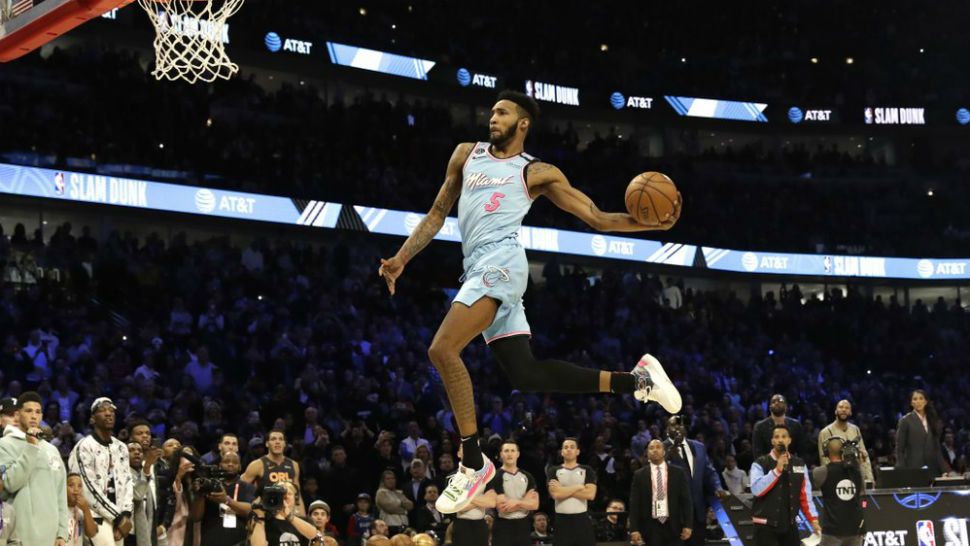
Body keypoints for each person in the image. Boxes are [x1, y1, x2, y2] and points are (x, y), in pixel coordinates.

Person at [378, 90, 683, 513]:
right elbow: (436, 213)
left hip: (502, 263)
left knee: (442, 348)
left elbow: (595, 216)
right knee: (528, 374)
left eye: (502, 113)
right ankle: (638, 381)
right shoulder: (465, 154)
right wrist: (401, 258)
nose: (493, 118)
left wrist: (651, 225)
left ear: (523, 123)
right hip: (476, 268)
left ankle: (472, 463)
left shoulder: (536, 173)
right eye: (492, 112)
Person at [0, 391, 71, 546]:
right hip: (18, 536)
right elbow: (10, 483)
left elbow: (60, 494)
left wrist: (62, 533)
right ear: (17, 415)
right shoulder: (4, 445)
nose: (34, 416)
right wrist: (31, 446)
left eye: (38, 412)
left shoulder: (52, 450)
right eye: (28, 411)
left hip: (51, 537)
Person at [68, 397, 134, 546]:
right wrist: (117, 517)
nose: (108, 414)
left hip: (120, 519)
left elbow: (127, 482)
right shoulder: (84, 446)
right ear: (92, 419)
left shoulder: (121, 447)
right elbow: (88, 487)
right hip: (94, 516)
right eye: (102, 410)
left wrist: (126, 514)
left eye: (111, 411)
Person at [663, 415, 728, 546]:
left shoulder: (699, 447)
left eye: (680, 424)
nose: (677, 428)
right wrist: (667, 458)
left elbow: (709, 472)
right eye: (673, 425)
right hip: (674, 514)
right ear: (666, 430)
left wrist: (718, 488)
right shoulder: (661, 449)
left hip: (698, 511)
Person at [750, 424, 820, 546]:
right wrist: (777, 471)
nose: (780, 439)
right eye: (776, 437)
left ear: (789, 440)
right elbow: (756, 490)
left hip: (789, 526)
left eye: (783, 436)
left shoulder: (799, 464)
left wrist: (813, 520)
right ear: (772, 441)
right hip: (765, 526)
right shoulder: (759, 463)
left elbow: (806, 497)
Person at [629, 440, 693, 546]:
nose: (655, 450)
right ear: (647, 453)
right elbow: (634, 503)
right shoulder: (639, 475)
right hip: (650, 527)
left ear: (664, 452)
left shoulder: (678, 473)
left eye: (658, 447)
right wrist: (634, 529)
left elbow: (686, 501)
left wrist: (688, 525)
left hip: (674, 525)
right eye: (651, 448)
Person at [191, 451, 254, 546]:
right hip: (210, 540)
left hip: (239, 541)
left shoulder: (247, 487)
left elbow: (249, 510)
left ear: (240, 466)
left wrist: (226, 500)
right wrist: (200, 495)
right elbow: (196, 517)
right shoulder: (210, 485)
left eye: (235, 462)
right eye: (226, 461)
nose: (230, 464)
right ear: (220, 465)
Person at [812, 438, 865, 546]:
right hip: (855, 529)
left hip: (832, 531)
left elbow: (815, 484)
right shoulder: (857, 470)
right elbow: (862, 491)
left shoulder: (820, 472)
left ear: (826, 452)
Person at [546, 438, 597, 546]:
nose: (569, 450)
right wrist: (579, 486)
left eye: (572, 447)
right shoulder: (553, 470)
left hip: (582, 520)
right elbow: (556, 494)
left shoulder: (587, 470)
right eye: (566, 447)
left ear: (578, 451)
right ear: (561, 452)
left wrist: (563, 489)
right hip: (561, 520)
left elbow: (590, 495)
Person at [242, 429, 305, 516]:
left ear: (284, 444)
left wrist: (303, 518)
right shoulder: (257, 465)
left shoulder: (294, 465)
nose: (277, 442)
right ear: (267, 444)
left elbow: (297, 495)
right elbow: (239, 488)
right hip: (265, 514)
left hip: (288, 514)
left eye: (280, 439)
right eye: (273, 439)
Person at [493, 440, 539, 546]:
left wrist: (516, 503)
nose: (509, 454)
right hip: (503, 528)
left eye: (513, 451)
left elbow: (535, 504)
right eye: (506, 451)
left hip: (523, 527)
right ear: (501, 454)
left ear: (518, 454)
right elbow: (503, 508)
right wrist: (524, 503)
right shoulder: (496, 476)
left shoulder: (528, 476)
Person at [817, 400, 874, 485]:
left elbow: (863, 454)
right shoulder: (825, 432)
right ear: (836, 411)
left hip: (856, 475)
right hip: (836, 478)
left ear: (850, 412)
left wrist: (869, 477)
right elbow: (824, 460)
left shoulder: (855, 429)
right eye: (841, 407)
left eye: (847, 408)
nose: (844, 410)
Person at [894, 389, 948, 477]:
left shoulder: (932, 420)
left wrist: (943, 470)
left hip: (932, 468)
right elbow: (900, 449)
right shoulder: (906, 421)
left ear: (926, 401)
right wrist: (902, 470)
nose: (918, 401)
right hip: (913, 468)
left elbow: (937, 449)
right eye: (915, 399)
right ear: (911, 403)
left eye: (921, 398)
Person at [249, 481, 319, 546]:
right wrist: (260, 517)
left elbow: (312, 534)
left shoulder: (305, 520)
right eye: (281, 495)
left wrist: (289, 516)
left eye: (289, 494)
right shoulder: (264, 521)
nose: (286, 497)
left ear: (296, 499)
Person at [753, 395, 806, 459]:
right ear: (770, 407)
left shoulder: (796, 425)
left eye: (780, 401)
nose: (776, 403)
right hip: (767, 466)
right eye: (773, 402)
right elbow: (757, 453)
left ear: (786, 406)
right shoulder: (760, 427)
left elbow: (802, 451)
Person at [125, 442, 155, 546]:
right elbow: (137, 495)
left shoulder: (144, 473)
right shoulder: (121, 473)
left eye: (140, 450)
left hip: (143, 528)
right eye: (131, 450)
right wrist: (147, 466)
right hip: (126, 530)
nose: (137, 452)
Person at [375, 470, 413, 535]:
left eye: (393, 478)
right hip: (390, 527)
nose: (391, 481)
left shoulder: (399, 492)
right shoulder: (381, 493)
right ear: (383, 481)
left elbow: (410, 505)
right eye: (388, 479)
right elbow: (390, 508)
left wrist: (398, 503)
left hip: (405, 526)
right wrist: (405, 511)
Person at [67, 472, 99, 546]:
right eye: (71, 485)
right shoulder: (58, 509)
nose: (76, 490)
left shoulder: (83, 510)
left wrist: (86, 510)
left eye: (80, 486)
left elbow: (92, 533)